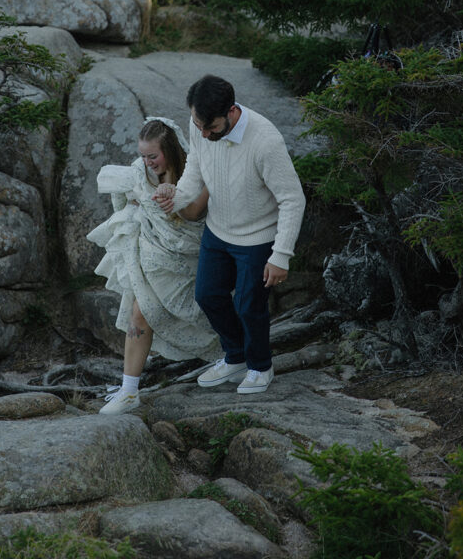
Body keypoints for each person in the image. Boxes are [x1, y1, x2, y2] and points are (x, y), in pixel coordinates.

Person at [154, 75, 306, 394]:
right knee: (207, 295)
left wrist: (280, 256)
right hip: (218, 230)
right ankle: (235, 356)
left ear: (232, 112)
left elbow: (293, 198)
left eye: (211, 128)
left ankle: (260, 367)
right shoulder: (200, 126)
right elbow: (196, 165)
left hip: (258, 237)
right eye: (199, 125)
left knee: (250, 307)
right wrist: (177, 195)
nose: (204, 133)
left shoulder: (265, 140)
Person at [87, 116, 218, 414]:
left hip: (188, 257)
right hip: (150, 256)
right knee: (140, 312)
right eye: (143, 155)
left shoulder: (193, 173)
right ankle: (129, 390)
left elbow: (198, 217)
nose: (147, 162)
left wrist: (176, 198)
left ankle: (235, 356)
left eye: (153, 156)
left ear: (169, 150)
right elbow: (121, 191)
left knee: (205, 308)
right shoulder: (139, 171)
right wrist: (136, 206)